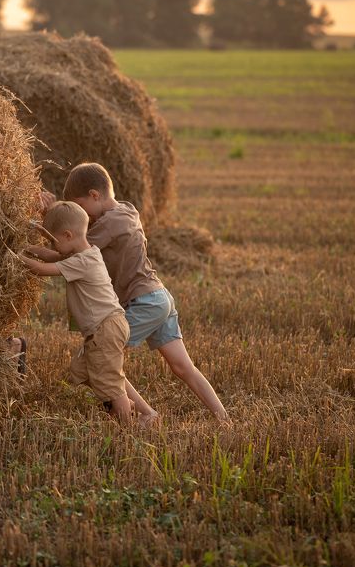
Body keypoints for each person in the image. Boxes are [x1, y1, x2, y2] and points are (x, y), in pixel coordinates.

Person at [54, 163, 229, 421]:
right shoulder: (127, 210)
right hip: (159, 297)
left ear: (94, 195)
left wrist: (50, 216)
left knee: (97, 357)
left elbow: (71, 247)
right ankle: (224, 418)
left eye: (81, 207)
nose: (84, 215)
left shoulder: (109, 224)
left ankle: (147, 415)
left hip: (144, 302)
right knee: (183, 367)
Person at [19, 201, 159, 426]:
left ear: (67, 235)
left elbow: (42, 269)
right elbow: (48, 256)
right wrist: (24, 245)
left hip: (106, 328)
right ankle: (127, 410)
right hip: (107, 325)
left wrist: (11, 255)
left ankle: (129, 427)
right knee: (82, 370)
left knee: (112, 385)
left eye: (53, 241)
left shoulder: (82, 261)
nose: (52, 247)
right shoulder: (86, 253)